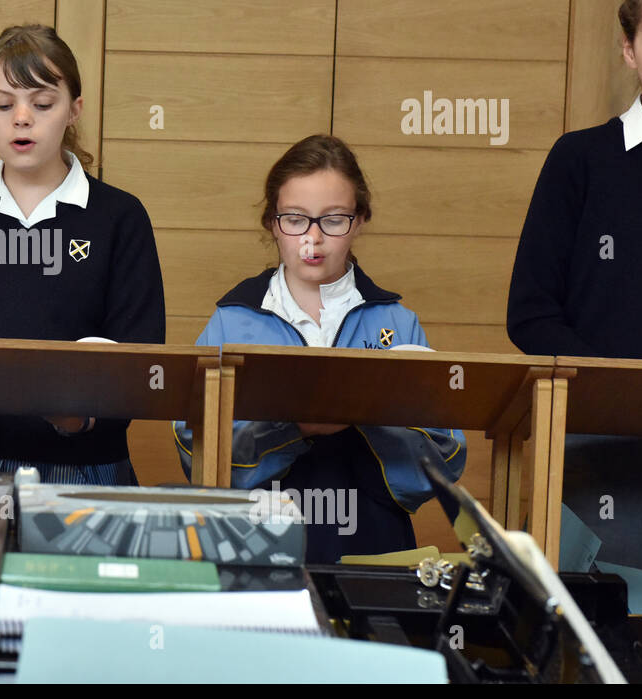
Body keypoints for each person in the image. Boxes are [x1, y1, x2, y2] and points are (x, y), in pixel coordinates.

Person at [0, 24, 166, 545]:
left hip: (88, 475)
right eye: (3, 104)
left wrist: (83, 416)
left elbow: (143, 360)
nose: (22, 119)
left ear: (75, 109)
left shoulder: (119, 217)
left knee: (83, 622)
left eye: (42, 103)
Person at [174, 135, 465, 564]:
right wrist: (293, 429)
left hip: (372, 540)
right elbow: (194, 448)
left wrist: (366, 416)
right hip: (257, 542)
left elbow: (446, 457)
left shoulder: (397, 321)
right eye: (295, 219)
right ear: (272, 222)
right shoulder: (232, 321)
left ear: (360, 219)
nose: (313, 238)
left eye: (333, 220)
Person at [508, 0, 642, 586]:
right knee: (603, 644)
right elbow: (531, 314)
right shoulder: (582, 160)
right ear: (628, 50)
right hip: (599, 454)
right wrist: (616, 392)